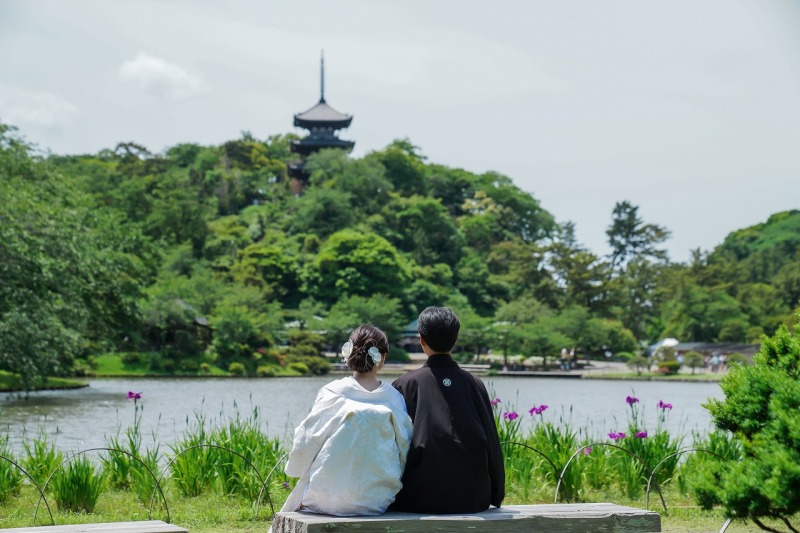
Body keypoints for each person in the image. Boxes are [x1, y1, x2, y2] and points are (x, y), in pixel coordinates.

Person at [280, 324, 413, 516]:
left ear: (349, 353)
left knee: (303, 489)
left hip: (325, 497)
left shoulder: (333, 392)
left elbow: (307, 439)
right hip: (376, 500)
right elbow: (405, 446)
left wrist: (297, 468)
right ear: (382, 358)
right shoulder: (393, 398)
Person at [390, 306, 505, 514]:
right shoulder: (474, 384)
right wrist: (496, 494)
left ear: (421, 339)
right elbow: (492, 443)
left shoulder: (404, 385)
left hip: (416, 499)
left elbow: (391, 448)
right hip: (473, 498)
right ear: (456, 339)